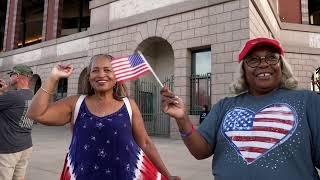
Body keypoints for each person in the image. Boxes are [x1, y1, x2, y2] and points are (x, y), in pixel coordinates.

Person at [161, 37, 320, 180]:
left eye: (272, 58)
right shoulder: (225, 106)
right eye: (253, 60)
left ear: (281, 65)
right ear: (243, 69)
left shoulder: (309, 101)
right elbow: (200, 151)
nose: (264, 64)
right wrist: (182, 119)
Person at [27, 54, 180, 180]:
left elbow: (146, 143)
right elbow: (36, 113)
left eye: (107, 70)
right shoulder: (76, 103)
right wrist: (53, 77)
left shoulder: (129, 105)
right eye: (95, 70)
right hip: (81, 174)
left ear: (116, 77)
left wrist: (168, 174)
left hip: (128, 175)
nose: (101, 75)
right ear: (89, 77)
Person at [0, 64, 34, 180]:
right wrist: (6, 91)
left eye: (11, 75)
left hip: (9, 148)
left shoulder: (11, 95)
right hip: (26, 145)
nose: (10, 78)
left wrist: (4, 91)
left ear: (17, 76)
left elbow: (10, 100)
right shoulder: (32, 95)